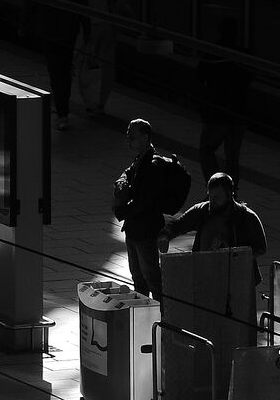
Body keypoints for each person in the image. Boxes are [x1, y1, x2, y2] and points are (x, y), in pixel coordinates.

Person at [113, 119, 191, 297]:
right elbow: (129, 171)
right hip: (135, 228)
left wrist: (122, 211)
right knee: (138, 277)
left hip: (145, 230)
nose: (128, 138)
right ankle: (144, 314)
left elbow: (145, 200)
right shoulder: (141, 158)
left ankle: (161, 316)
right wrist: (123, 180)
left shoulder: (153, 165)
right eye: (128, 135)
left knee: (151, 277)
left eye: (132, 135)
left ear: (145, 137)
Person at [23, 0, 87, 130]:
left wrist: (25, 26)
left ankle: (61, 111)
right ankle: (63, 111)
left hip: (48, 30)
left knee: (55, 70)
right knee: (65, 70)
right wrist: (88, 30)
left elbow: (30, 4)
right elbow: (82, 4)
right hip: (69, 30)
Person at [76, 0, 133, 118]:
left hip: (88, 27)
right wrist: (112, 11)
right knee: (107, 65)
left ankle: (88, 102)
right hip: (108, 26)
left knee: (86, 65)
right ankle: (101, 103)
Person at [162, 172, 267, 257]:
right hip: (206, 270)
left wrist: (233, 254)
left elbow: (260, 248)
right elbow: (179, 224)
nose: (212, 201)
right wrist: (166, 235)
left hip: (236, 274)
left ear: (229, 195)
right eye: (210, 196)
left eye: (217, 197)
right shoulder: (202, 210)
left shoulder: (246, 216)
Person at [192, 52, 253, 180]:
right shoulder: (242, 56)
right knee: (232, 157)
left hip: (217, 115)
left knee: (207, 150)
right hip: (238, 114)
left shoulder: (213, 54)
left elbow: (199, 80)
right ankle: (230, 191)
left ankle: (215, 186)